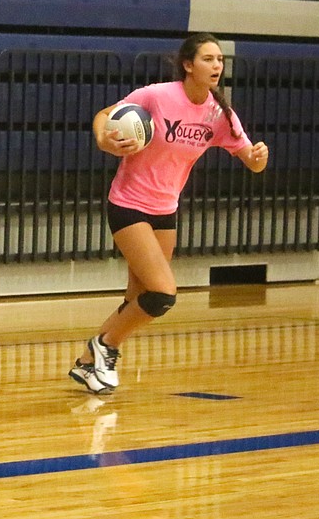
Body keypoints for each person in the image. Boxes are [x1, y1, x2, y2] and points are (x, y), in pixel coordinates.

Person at [70, 33, 269, 394]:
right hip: (129, 204)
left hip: (166, 209)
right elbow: (104, 115)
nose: (217, 66)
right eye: (208, 59)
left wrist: (257, 159)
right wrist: (105, 140)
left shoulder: (219, 113)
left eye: (220, 59)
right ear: (188, 65)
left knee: (138, 296)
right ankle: (106, 346)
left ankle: (88, 362)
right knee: (162, 293)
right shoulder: (158, 95)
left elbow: (249, 160)